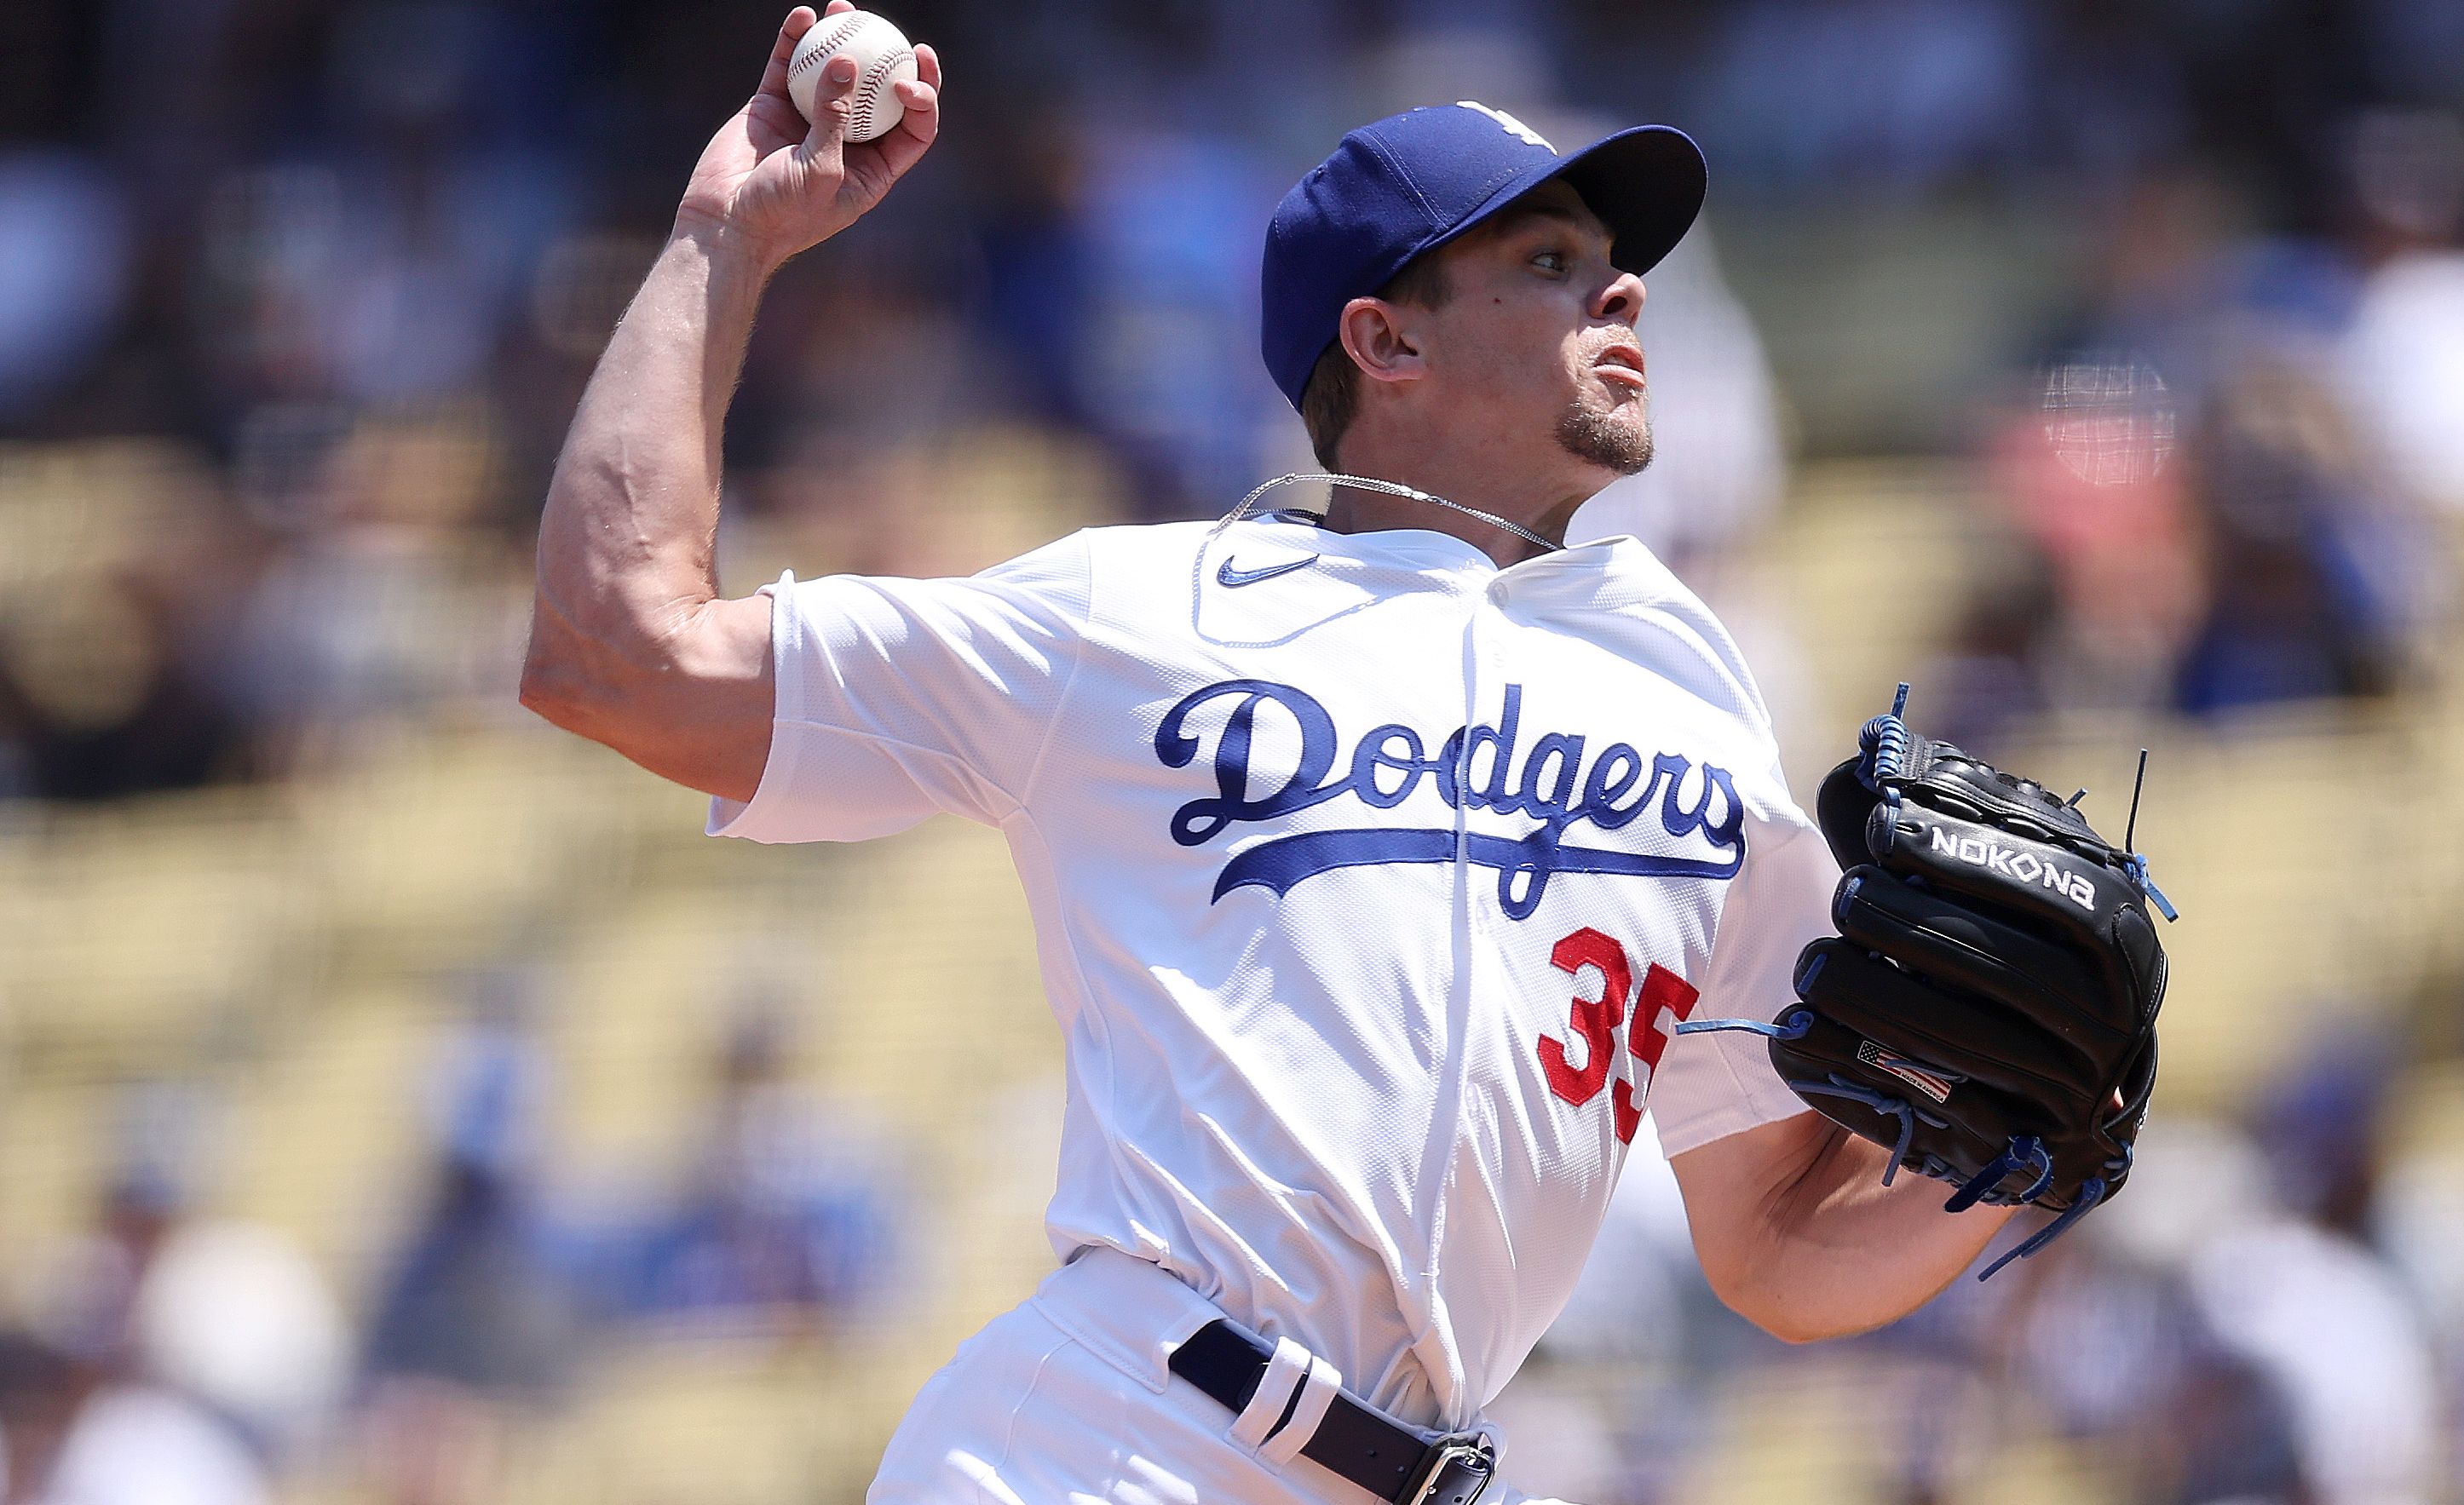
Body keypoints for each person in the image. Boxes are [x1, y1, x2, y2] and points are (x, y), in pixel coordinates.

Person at [518, 6, 2015, 1500]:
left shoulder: (1686, 678)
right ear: (1384, 337)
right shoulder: (1142, 609)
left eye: (1611, 263)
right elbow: (615, 657)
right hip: (1109, 1446)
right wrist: (724, 235)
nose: (1622, 289)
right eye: (1549, 261)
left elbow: (1774, 1249)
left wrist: (2032, 1141)